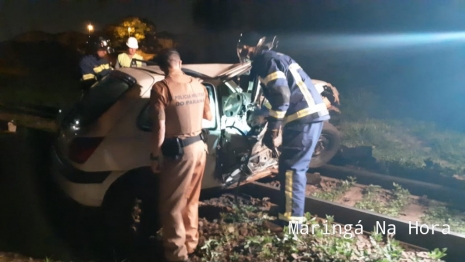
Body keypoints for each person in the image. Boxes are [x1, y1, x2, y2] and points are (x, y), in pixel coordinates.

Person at [237, 31, 330, 231]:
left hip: (303, 118)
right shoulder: (276, 58)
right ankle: (287, 210)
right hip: (308, 116)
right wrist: (264, 112)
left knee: (292, 169)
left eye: (244, 46)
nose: (243, 50)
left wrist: (273, 128)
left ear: (253, 46)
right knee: (291, 167)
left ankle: (290, 223)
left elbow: (281, 95)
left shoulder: (266, 61)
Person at [150, 48, 212, 262]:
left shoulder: (161, 88)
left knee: (171, 205)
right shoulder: (198, 84)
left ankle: (177, 255)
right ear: (180, 62)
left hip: (180, 153)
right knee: (192, 199)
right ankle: (191, 242)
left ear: (161, 67)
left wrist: (155, 155)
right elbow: (208, 117)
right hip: (200, 148)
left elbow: (160, 127)